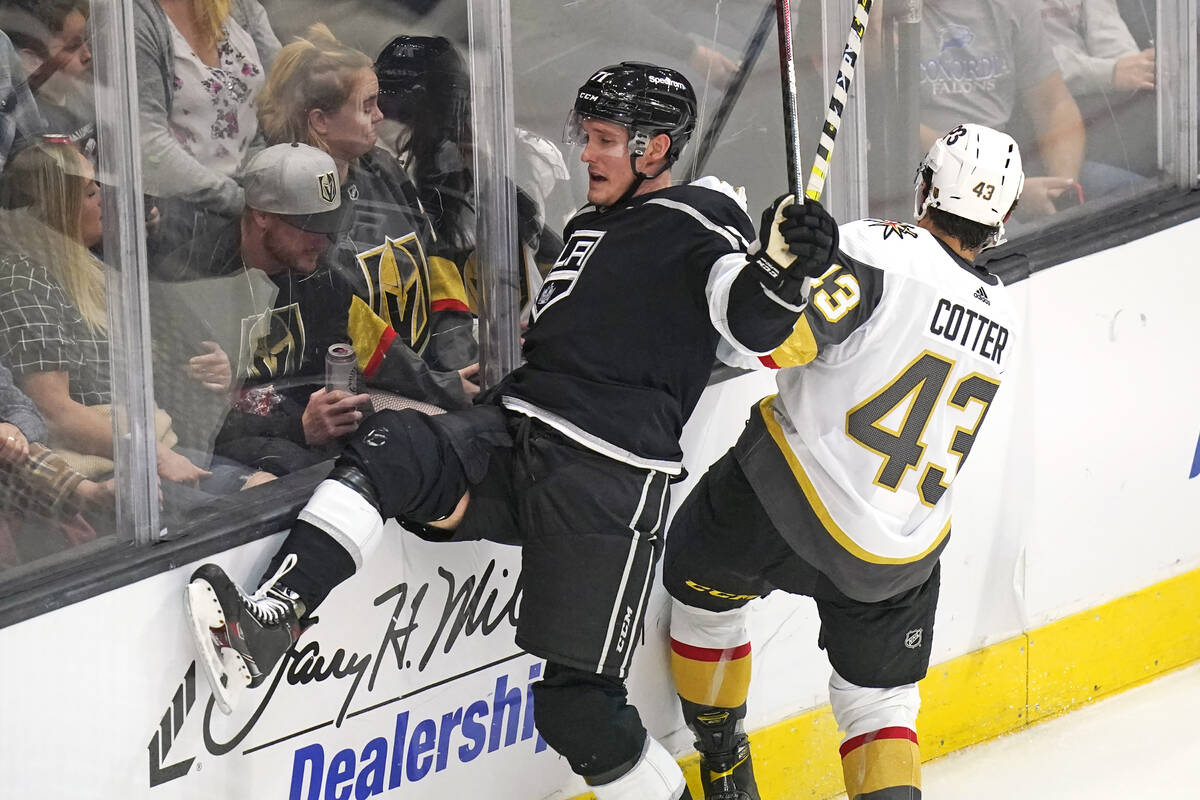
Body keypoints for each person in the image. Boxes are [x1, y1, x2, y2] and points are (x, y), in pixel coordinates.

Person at [182, 61, 840, 800]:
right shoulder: (593, 223)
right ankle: (272, 620)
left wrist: (784, 269)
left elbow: (747, 316)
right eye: (584, 136)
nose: (585, 154)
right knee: (391, 443)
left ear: (654, 150)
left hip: (605, 478)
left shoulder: (699, 219)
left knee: (578, 711)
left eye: (604, 140)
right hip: (515, 430)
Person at [662, 123, 1023, 800]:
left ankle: (723, 762)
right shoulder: (1002, 313)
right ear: (1002, 220)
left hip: (779, 505)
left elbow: (760, 346)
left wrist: (757, 264)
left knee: (699, 594)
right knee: (881, 707)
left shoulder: (874, 251)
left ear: (924, 188)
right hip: (901, 555)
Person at [0, 141, 269, 513]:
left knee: (268, 487)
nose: (103, 201)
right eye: (91, 191)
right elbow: (53, 413)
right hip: (109, 469)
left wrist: (213, 368)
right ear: (56, 206)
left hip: (158, 445)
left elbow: (158, 363)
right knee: (249, 510)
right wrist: (152, 455)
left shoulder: (91, 270)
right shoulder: (26, 279)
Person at [256, 25, 479, 408]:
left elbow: (435, 260)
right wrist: (441, 386)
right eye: (366, 106)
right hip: (359, 390)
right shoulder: (295, 202)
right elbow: (350, 324)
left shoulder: (381, 167)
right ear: (320, 121)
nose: (380, 116)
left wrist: (462, 357)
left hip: (432, 373)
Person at [153, 140, 377, 477]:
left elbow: (329, 365)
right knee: (295, 469)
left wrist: (337, 406)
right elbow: (196, 422)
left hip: (301, 422)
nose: (323, 240)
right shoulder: (191, 281)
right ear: (261, 216)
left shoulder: (322, 270)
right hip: (239, 444)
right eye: (308, 226)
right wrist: (297, 428)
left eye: (329, 223)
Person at [133, 0, 278, 255]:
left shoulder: (238, 6)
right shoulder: (135, 17)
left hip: (256, 206)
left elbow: (285, 85)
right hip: (180, 226)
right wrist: (242, 201)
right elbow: (149, 145)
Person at [919, 0, 1084, 216]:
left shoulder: (1013, 5)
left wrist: (1061, 191)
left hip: (1014, 174)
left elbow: (1053, 104)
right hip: (929, 190)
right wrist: (1004, 193)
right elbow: (894, 129)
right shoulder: (880, 16)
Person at [1040, 0, 1156, 181]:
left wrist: (1135, 66)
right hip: (1047, 113)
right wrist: (1110, 72)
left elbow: (1106, 29)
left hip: (1102, 93)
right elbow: (1030, 65)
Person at [0, 0, 96, 158]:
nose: (87, 55)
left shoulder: (88, 97)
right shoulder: (31, 123)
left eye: (86, 41)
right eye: (73, 46)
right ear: (31, 61)